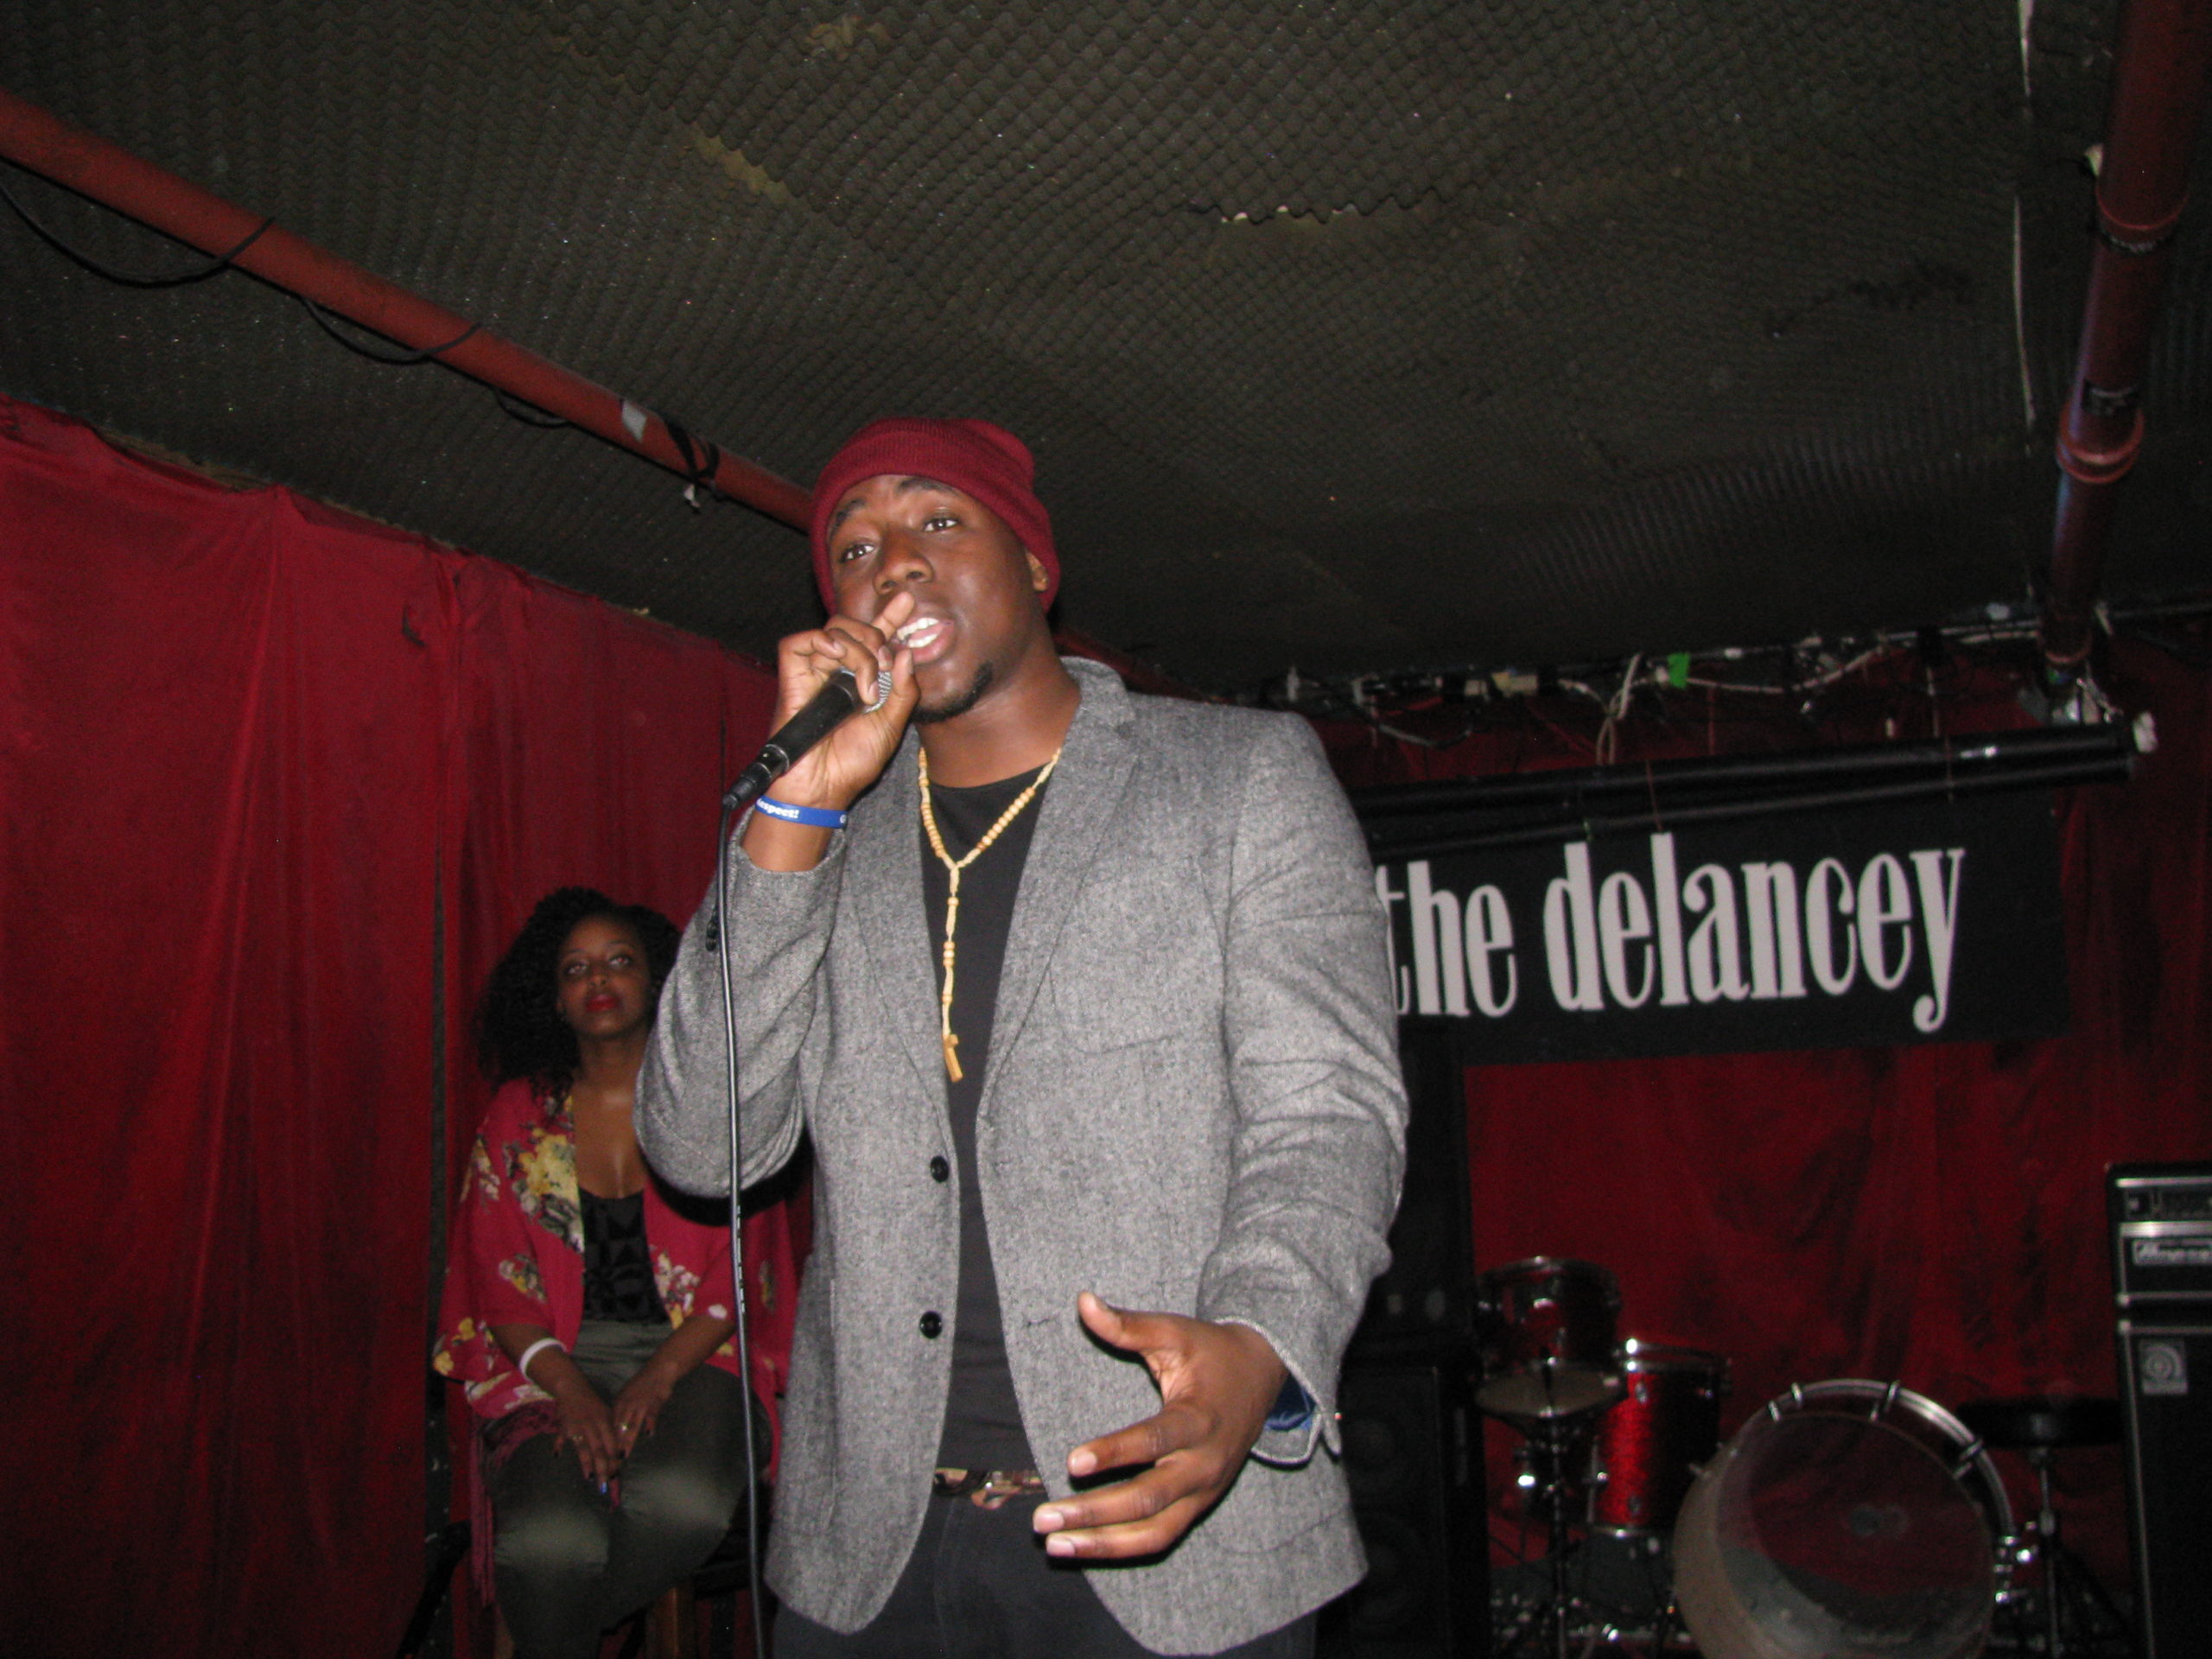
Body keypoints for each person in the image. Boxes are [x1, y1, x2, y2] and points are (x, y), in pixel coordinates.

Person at [639, 418, 1407, 1657]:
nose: (892, 564)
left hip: (1163, 1537)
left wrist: (1261, 1343)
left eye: (939, 521)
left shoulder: (1235, 779)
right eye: (854, 548)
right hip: (871, 1560)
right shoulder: (824, 832)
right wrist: (796, 810)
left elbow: (1328, 1115)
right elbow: (698, 1143)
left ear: (1039, 567)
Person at [435, 887, 756, 1659]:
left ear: (658, 980)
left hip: (695, 1355)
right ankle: (550, 1606)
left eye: (619, 961)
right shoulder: (518, 1115)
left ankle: (546, 1632)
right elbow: (497, 1283)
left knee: (682, 1504)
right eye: (576, 969)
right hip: (551, 1360)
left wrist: (657, 1378)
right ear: (553, 998)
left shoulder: (711, 1105)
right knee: (547, 1542)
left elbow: (744, 1274)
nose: (599, 979)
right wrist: (573, 1392)